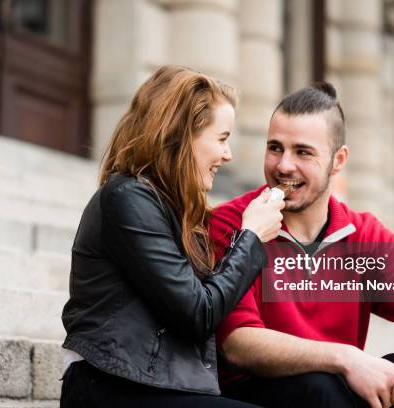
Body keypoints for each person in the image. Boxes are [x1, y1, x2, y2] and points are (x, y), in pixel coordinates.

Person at [209, 83, 394, 408]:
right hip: (254, 393)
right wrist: (346, 357)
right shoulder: (233, 222)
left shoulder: (363, 234)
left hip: (334, 386)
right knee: (322, 385)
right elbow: (237, 343)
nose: (284, 165)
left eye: (303, 152)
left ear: (338, 160)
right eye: (275, 148)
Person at [59, 66, 285, 407]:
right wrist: (251, 235)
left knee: (317, 389)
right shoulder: (128, 199)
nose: (228, 155)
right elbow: (198, 313)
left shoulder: (173, 208)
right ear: (181, 136)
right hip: (109, 384)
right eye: (222, 138)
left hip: (162, 382)